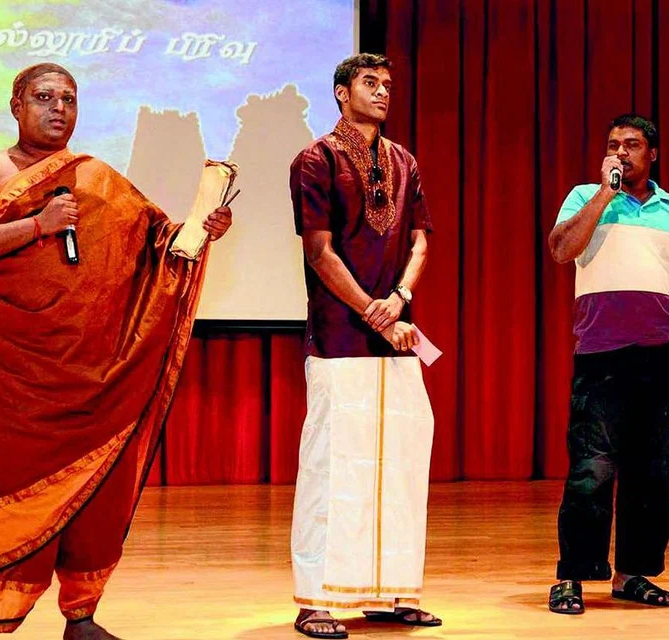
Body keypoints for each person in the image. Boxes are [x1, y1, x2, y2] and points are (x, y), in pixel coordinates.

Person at [0, 63, 232, 639]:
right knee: (5, 483)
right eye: (44, 97)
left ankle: (82, 615)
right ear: (16, 105)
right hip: (20, 369)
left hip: (93, 371)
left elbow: (156, 245)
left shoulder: (97, 177)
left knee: (100, 491)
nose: (58, 108)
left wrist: (199, 230)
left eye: (69, 99)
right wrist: (38, 225)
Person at [288, 53, 440, 639]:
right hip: (339, 337)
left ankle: (393, 593)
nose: (382, 92)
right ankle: (316, 601)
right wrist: (372, 312)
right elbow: (319, 250)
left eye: (387, 85)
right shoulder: (316, 159)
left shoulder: (404, 161)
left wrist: (398, 298)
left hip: (398, 333)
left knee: (401, 464)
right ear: (340, 92)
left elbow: (421, 241)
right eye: (370, 83)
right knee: (333, 466)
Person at [547, 114, 669, 614]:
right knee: (591, 468)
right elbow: (561, 250)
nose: (621, 152)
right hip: (602, 352)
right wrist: (604, 193)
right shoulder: (584, 197)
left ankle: (632, 574)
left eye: (632, 145)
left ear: (652, 153)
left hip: (664, 353)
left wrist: (650, 306)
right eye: (613, 144)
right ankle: (573, 575)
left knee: (652, 471)